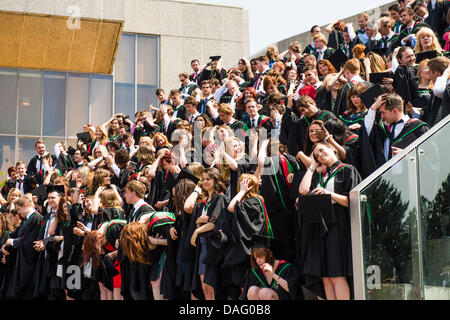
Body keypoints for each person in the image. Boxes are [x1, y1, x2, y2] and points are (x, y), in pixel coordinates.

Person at [298, 141, 362, 300]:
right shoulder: (319, 174)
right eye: (316, 154)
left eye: (321, 150)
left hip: (338, 224)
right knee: (326, 276)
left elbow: (353, 201)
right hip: (319, 225)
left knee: (337, 274)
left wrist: (328, 194)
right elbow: (303, 190)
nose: (320, 154)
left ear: (332, 148)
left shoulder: (347, 170)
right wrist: (312, 166)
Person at [183, 167, 228, 300]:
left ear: (216, 180)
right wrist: (197, 223)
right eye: (203, 179)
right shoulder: (203, 203)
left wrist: (197, 231)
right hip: (203, 249)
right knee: (204, 287)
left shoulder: (220, 198)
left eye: (208, 179)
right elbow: (203, 224)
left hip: (214, 250)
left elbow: (216, 222)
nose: (205, 182)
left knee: (212, 287)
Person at [361, 93, 429, 176]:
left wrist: (409, 155)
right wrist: (373, 108)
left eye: (383, 112)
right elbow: (367, 132)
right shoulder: (384, 129)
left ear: (394, 111)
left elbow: (429, 156)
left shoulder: (418, 128)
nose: (381, 116)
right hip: (388, 182)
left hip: (411, 180)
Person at [1, 196, 43, 299]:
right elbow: (15, 234)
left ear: (25, 206)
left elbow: (29, 241)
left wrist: (13, 242)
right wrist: (5, 245)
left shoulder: (36, 218)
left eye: (19, 209)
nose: (19, 213)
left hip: (29, 262)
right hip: (21, 261)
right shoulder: (27, 219)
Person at [241, 235, 301, 300]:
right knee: (252, 291)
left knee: (265, 293)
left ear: (269, 254)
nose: (258, 261)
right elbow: (246, 295)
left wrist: (273, 274)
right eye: (255, 258)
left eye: (260, 257)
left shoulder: (286, 268)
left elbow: (293, 289)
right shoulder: (256, 271)